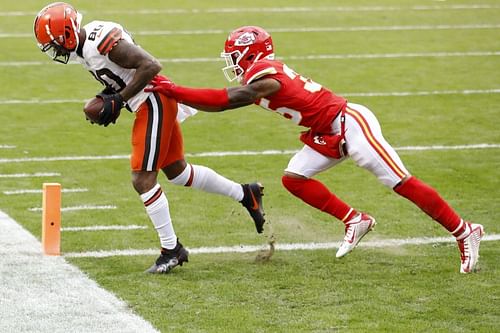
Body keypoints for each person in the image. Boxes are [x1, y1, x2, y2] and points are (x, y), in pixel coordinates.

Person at [145, 26, 484, 273]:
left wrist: (175, 90)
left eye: (234, 56)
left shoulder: (264, 75)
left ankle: (464, 230)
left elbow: (227, 100)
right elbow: (221, 99)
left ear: (250, 53)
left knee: (399, 182)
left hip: (349, 122)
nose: (232, 62)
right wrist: (182, 102)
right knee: (294, 177)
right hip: (325, 131)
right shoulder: (261, 74)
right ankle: (356, 220)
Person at [33, 4, 266, 274]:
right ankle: (245, 193)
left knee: (142, 180)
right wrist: (110, 96)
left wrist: (118, 100)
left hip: (153, 100)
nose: (55, 51)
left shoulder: (101, 42)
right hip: (147, 102)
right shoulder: (87, 47)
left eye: (55, 44)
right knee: (178, 172)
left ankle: (171, 249)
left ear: (67, 34)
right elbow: (120, 75)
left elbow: (151, 65)